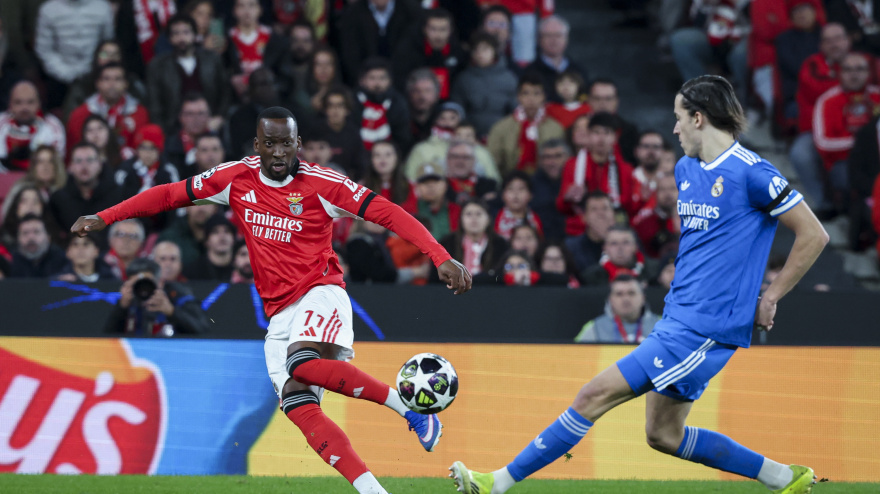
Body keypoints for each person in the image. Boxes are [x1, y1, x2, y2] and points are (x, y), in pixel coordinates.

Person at [450, 75, 828, 494]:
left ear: (699, 118)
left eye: (679, 118)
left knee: (592, 395)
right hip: (677, 318)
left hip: (706, 328)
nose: (674, 128)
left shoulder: (754, 174)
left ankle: (494, 483)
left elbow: (814, 234)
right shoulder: (685, 170)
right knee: (662, 435)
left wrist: (770, 296)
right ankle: (786, 478)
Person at [71, 106, 471, 494]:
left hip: (321, 291)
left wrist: (440, 255)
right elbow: (169, 195)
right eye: (271, 143)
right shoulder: (235, 179)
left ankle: (409, 409)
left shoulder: (323, 184)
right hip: (279, 313)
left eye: (287, 144)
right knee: (299, 406)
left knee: (304, 362)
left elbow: (387, 213)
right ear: (257, 144)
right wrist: (105, 217)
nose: (279, 153)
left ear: (300, 144)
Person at [812, 52, 880, 212]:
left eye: (859, 69)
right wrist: (861, 144)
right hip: (844, 160)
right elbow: (823, 143)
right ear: (840, 73)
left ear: (868, 73)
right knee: (848, 177)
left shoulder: (877, 95)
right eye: (848, 70)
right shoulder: (827, 100)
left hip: (876, 158)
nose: (854, 75)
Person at [147, 14, 229, 133]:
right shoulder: (158, 66)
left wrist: (220, 117)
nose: (181, 38)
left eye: (186, 32)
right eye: (176, 33)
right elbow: (154, 105)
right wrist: (163, 131)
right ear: (170, 38)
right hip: (173, 129)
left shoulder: (212, 60)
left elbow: (225, 92)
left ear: (195, 35)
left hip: (211, 125)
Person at [34, 0, 114, 109]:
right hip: (58, 79)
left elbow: (107, 46)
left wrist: (97, 66)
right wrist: (63, 72)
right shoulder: (48, 10)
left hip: (94, 76)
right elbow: (44, 49)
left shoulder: (103, 7)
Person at [103, 257, 211, 336]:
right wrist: (121, 307)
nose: (142, 289)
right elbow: (105, 338)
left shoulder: (178, 297)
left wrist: (171, 311)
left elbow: (203, 330)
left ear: (160, 283)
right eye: (137, 284)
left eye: (146, 283)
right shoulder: (127, 301)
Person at [487, 72, 565, 176]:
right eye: (525, 93)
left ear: (544, 97)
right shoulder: (501, 127)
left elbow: (562, 162)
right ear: (518, 97)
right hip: (510, 183)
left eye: (537, 94)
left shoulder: (556, 128)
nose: (531, 99)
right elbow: (493, 164)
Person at [450, 30, 518, 139]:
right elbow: (458, 111)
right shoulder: (463, 79)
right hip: (470, 137)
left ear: (494, 51)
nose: (480, 54)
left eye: (485, 49)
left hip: (503, 136)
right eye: (475, 50)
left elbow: (516, 111)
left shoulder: (509, 79)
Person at [67, 62, 150, 152]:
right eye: (106, 79)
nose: (112, 84)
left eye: (117, 79)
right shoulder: (81, 115)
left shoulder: (139, 113)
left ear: (126, 84)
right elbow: (74, 150)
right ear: (98, 83)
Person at [48, 143, 119, 245]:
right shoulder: (58, 199)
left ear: (100, 165)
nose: (84, 166)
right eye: (78, 161)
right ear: (71, 167)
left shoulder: (117, 196)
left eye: (89, 160)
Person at [337, 0, 421, 85]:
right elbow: (350, 52)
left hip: (403, 79)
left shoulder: (411, 10)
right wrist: (362, 78)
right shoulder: (353, 12)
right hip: (362, 80)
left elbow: (413, 48)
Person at [391, 8, 465, 99]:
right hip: (414, 101)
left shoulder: (457, 51)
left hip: (448, 104)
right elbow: (400, 82)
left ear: (451, 30)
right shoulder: (407, 50)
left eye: (443, 29)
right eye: (433, 29)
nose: (438, 35)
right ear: (425, 29)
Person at [574, 274, 660, 343]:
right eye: (619, 294)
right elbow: (576, 357)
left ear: (643, 298)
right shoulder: (595, 327)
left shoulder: (663, 325)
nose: (626, 299)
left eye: (631, 293)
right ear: (610, 300)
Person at [0, 81, 65, 171]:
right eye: (18, 102)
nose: (24, 108)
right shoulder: (1, 123)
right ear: (10, 104)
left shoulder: (53, 126)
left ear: (39, 103)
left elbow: (55, 165)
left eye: (30, 102)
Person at [524, 15, 589, 102]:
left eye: (558, 35)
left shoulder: (578, 71)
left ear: (566, 39)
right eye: (548, 35)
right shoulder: (529, 72)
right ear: (539, 39)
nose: (554, 40)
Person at [352, 57, 411, 153]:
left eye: (382, 78)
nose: (377, 83)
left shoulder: (398, 103)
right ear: (362, 81)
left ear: (390, 81)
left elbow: (402, 139)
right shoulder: (352, 102)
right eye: (372, 78)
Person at [438, 199, 506, 278]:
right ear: (461, 219)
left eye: (478, 214)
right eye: (469, 214)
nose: (474, 219)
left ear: (488, 219)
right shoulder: (447, 243)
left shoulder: (501, 245)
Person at [631, 172, 680, 259]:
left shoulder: (693, 220)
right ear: (655, 193)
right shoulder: (644, 225)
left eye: (672, 188)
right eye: (662, 189)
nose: (668, 194)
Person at [530, 139, 569, 241]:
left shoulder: (578, 181)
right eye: (547, 157)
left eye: (558, 156)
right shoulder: (530, 185)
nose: (552, 162)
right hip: (541, 240)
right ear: (540, 161)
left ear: (568, 157)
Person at [362, 141, 416, 215]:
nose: (382, 159)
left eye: (388, 155)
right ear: (371, 160)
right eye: (377, 155)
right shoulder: (362, 188)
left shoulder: (409, 187)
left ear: (396, 158)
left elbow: (413, 215)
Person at [580, 225, 647, 285]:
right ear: (605, 249)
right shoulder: (591, 277)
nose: (620, 248)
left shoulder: (652, 271)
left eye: (625, 243)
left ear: (635, 247)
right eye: (614, 243)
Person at [165, 94, 212, 174]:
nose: (196, 119)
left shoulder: (220, 142)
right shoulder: (168, 146)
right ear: (180, 117)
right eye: (190, 114)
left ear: (209, 116)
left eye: (201, 113)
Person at [414, 162, 460, 241]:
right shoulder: (407, 210)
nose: (430, 186)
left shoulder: (459, 211)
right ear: (417, 187)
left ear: (445, 185)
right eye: (425, 182)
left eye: (435, 181)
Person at [445, 140, 498, 206]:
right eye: (455, 156)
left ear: (474, 161)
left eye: (466, 157)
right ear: (447, 160)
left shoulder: (489, 186)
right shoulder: (438, 185)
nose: (460, 161)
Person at [184, 213, 237, 281]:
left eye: (227, 231)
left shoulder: (244, 268)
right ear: (206, 241)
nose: (222, 236)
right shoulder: (192, 272)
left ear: (234, 239)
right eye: (215, 232)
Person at [494, 171, 543, 241]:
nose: (516, 194)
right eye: (510, 189)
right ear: (502, 195)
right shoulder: (493, 216)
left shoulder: (536, 219)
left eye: (521, 189)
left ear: (530, 195)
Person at [404, 69, 442, 147]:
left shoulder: (444, 118)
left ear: (437, 95)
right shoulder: (402, 118)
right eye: (416, 91)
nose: (422, 97)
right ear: (409, 94)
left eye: (427, 91)